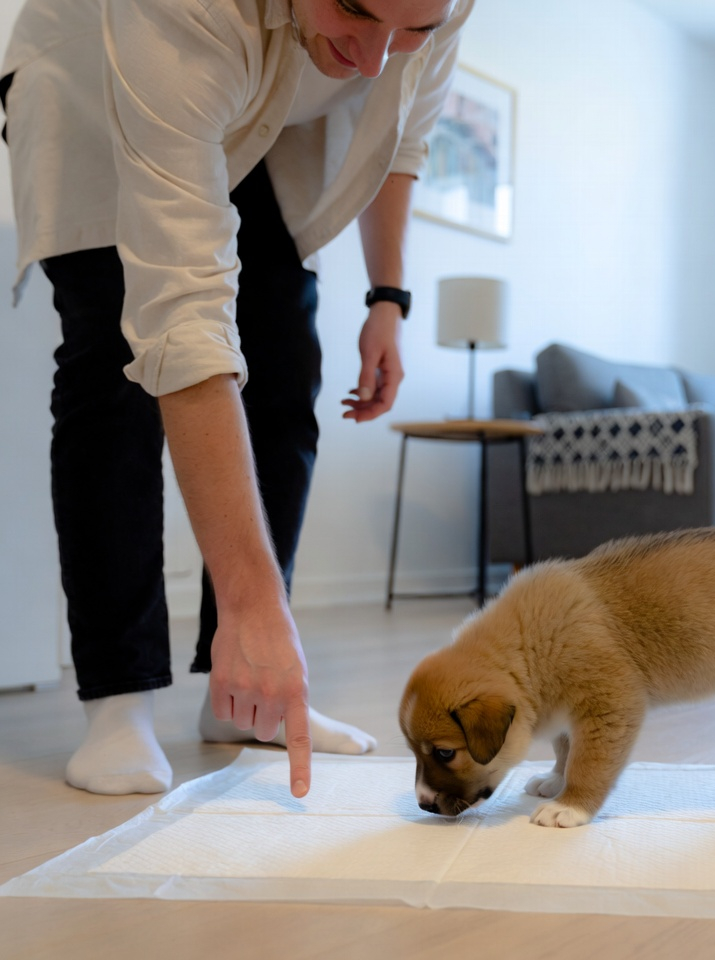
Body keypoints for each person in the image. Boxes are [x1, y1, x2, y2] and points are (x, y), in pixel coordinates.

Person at [1, 0, 473, 799]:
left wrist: (387, 298)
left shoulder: (436, 6)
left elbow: (402, 127)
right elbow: (182, 312)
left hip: (266, 111)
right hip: (91, 77)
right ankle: (118, 701)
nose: (375, 59)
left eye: (413, 33)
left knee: (286, 361)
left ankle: (240, 694)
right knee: (115, 362)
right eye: (357, 13)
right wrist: (258, 604)